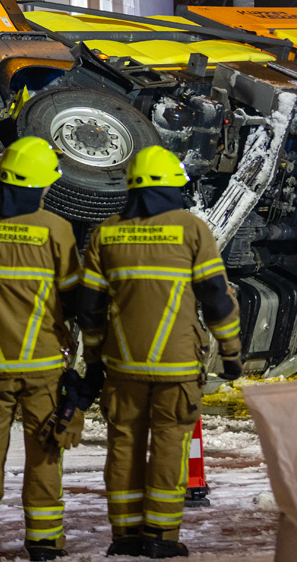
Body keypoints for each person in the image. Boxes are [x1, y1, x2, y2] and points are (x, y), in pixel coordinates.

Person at [78, 145, 242, 559]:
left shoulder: (105, 233)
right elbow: (216, 298)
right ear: (172, 186)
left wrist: (94, 362)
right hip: (177, 368)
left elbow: (90, 310)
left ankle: (125, 534)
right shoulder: (191, 229)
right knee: (170, 446)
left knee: (124, 446)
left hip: (121, 367)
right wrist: (232, 351)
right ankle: (161, 538)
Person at [0, 136, 81, 562]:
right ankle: (44, 542)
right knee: (45, 449)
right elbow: (73, 295)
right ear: (41, 184)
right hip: (43, 364)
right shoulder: (56, 230)